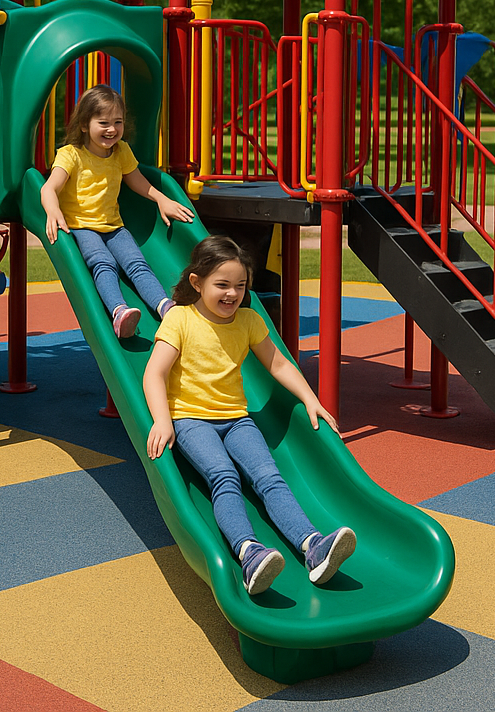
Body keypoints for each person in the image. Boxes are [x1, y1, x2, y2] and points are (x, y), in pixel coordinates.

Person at [144, 235, 357, 596]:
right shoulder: (180, 319)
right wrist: (163, 420)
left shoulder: (248, 320)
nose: (232, 294)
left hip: (236, 419)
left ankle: (313, 546)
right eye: (222, 285)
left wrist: (310, 399)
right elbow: (155, 373)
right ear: (197, 282)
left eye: (240, 286)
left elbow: (278, 364)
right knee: (224, 476)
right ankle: (250, 553)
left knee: (269, 477)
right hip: (190, 420)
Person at [41, 84, 195, 338]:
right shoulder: (71, 155)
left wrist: (161, 199)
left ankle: (165, 307)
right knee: (103, 263)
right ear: (84, 124)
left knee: (137, 264)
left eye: (118, 122)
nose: (111, 129)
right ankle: (119, 312)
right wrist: (53, 210)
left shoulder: (121, 151)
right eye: (103, 123)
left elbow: (137, 181)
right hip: (82, 227)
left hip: (114, 226)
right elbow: (49, 187)